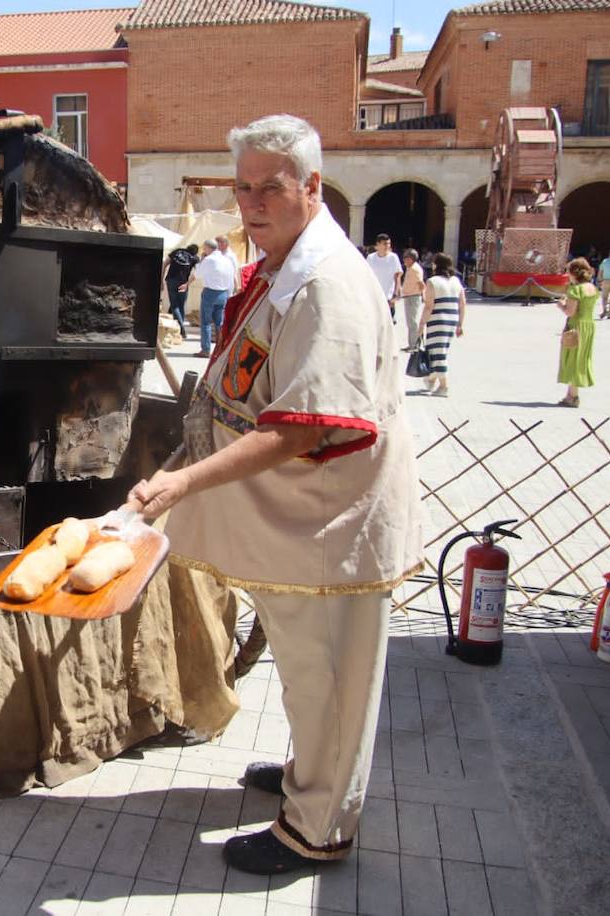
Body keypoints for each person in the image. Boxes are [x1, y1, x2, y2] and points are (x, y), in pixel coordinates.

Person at [128, 114, 421, 876]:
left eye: (272, 187)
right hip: (295, 520)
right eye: (244, 187)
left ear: (312, 187)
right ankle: (305, 776)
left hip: (329, 524)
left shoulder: (326, 284)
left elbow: (303, 426)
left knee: (329, 676)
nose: (253, 203)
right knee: (304, 667)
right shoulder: (287, 261)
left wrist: (185, 480)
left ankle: (318, 828)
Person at [416, 253, 466, 397]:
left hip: (437, 319)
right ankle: (431, 380)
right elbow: (462, 303)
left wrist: (421, 324)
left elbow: (429, 306)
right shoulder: (456, 281)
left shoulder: (432, 281)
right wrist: (460, 324)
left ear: (436, 265)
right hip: (452, 319)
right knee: (437, 350)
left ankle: (444, 386)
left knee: (438, 353)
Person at [557, 257, 598, 407]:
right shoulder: (593, 288)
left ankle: (573, 396)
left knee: (572, 359)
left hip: (576, 326)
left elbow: (570, 312)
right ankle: (571, 394)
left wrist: (561, 305)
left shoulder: (576, 289)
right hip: (588, 326)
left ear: (574, 273)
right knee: (581, 358)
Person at [192, 239, 235, 357]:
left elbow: (198, 274)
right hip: (224, 292)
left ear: (207, 248)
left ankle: (205, 349)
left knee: (206, 322)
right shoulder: (227, 260)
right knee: (219, 322)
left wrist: (201, 260)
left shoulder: (209, 260)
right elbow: (232, 278)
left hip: (210, 292)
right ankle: (221, 348)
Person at [162, 243, 200, 337]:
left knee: (175, 305)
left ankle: (179, 328)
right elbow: (198, 272)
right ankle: (181, 328)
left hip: (171, 280)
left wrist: (161, 279)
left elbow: (165, 264)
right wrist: (188, 283)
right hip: (183, 283)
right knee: (180, 305)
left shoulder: (176, 252)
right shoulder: (194, 258)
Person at [365, 233, 403, 324]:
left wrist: (396, 292)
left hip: (388, 297)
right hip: (375, 296)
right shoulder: (371, 258)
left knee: (387, 324)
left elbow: (397, 275)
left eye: (389, 244)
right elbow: (367, 276)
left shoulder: (393, 257)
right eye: (385, 244)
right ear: (377, 245)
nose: (387, 246)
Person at [399, 248, 425, 351]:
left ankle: (414, 345)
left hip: (413, 297)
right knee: (410, 322)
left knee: (413, 322)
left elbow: (421, 283)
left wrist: (423, 295)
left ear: (410, 259)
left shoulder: (415, 269)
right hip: (409, 296)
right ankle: (411, 344)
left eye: (406, 258)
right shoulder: (410, 268)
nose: (404, 260)